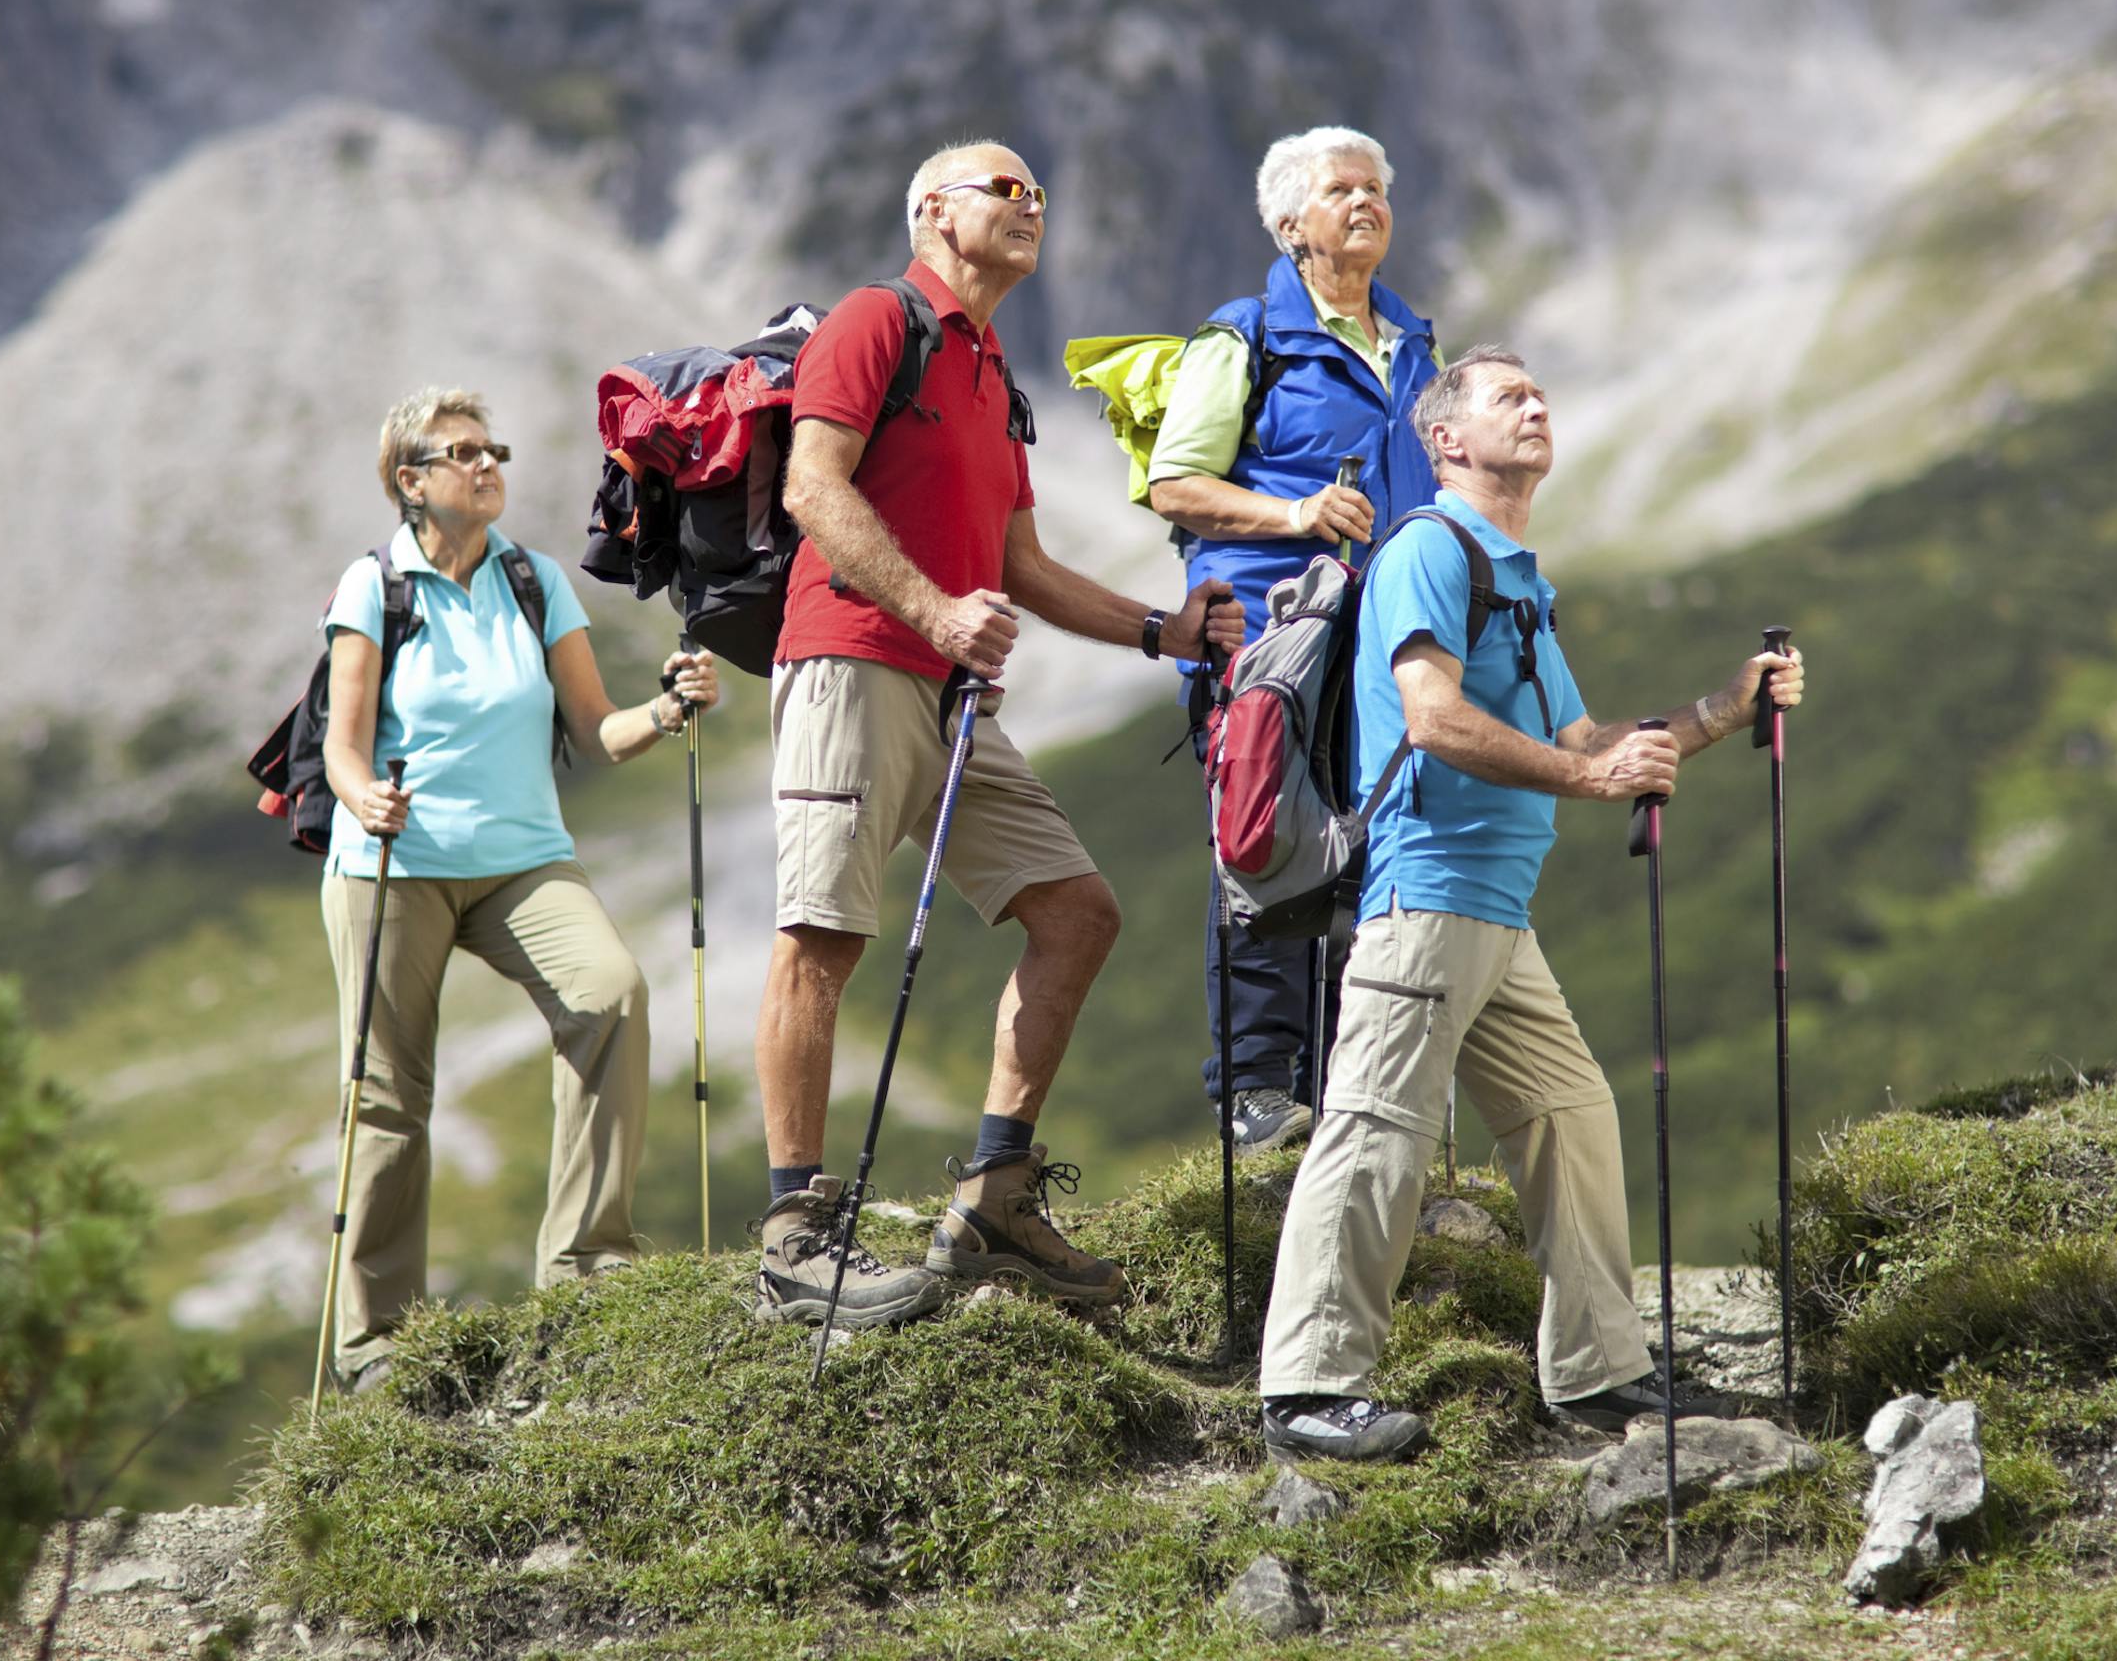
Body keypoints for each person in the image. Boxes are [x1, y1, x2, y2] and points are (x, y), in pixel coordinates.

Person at [1257, 346, 1807, 1459]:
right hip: (1426, 894)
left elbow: (1587, 741)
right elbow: (1432, 718)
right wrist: (1589, 779)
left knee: (1573, 1115)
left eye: (1542, 393)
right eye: (1511, 395)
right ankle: (1310, 1387)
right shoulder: (1427, 547)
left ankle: (1599, 1372)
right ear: (1448, 439)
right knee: (1376, 1129)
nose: (1539, 405)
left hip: (1497, 913)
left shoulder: (1515, 579)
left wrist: (1723, 706)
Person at [751, 140, 1245, 1328]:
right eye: (1005, 189)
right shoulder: (880, 320)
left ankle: (993, 1199)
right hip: (856, 663)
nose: (1033, 206)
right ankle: (793, 1235)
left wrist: (1163, 633)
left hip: (945, 691)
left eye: (1040, 192)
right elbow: (812, 490)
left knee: (1077, 911)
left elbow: (1021, 565)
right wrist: (933, 610)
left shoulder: (992, 372)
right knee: (822, 931)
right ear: (931, 211)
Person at [320, 386, 720, 1392]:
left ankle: (586, 1273)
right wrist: (363, 798)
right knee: (388, 1097)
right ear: (411, 481)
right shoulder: (374, 586)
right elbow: (340, 744)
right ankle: (377, 1346)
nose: (488, 464)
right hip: (395, 863)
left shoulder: (536, 581)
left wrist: (669, 707)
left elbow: (598, 730)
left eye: (493, 448)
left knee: (610, 992)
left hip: (520, 859)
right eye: (461, 452)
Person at [1146, 126, 1442, 1153]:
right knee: (1269, 844)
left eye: (1377, 188)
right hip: (1271, 637)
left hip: (1384, 639)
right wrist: (1297, 516)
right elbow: (1174, 484)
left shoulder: (1415, 343)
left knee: (1370, 854)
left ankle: (1350, 1082)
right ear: (1289, 225)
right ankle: (1256, 1086)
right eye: (1340, 190)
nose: (1365, 201)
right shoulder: (1244, 336)